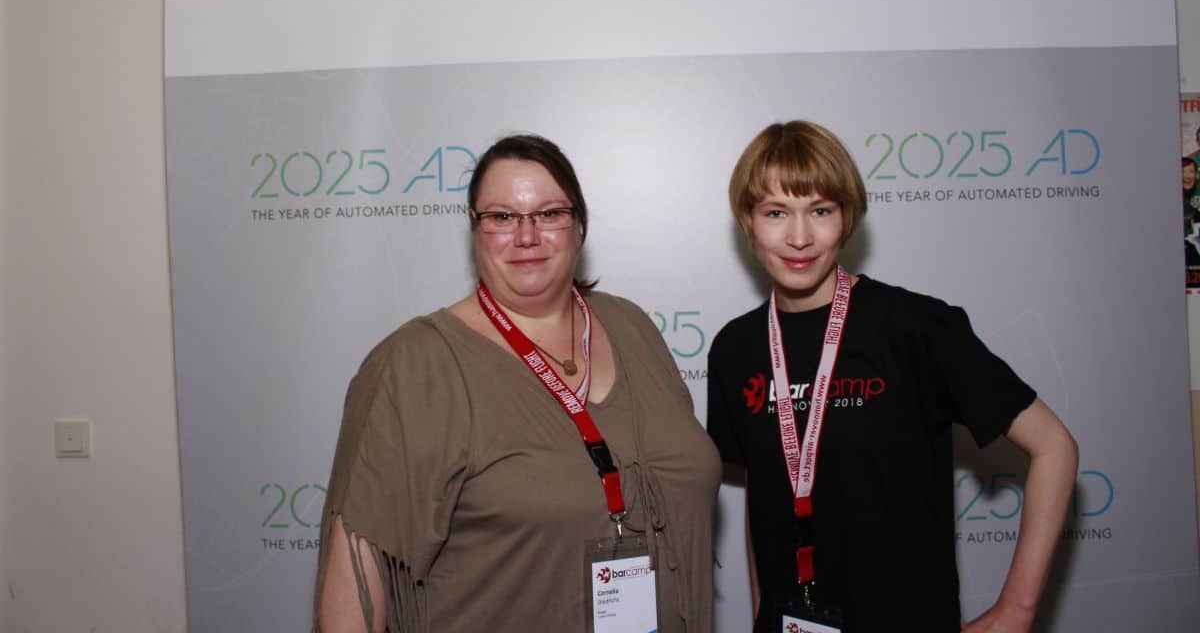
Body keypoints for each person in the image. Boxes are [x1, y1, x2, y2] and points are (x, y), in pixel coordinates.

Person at [314, 134, 721, 633]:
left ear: (579, 225)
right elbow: (352, 597)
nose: (527, 235)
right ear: (474, 229)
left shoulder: (632, 326)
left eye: (549, 213)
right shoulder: (414, 365)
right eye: (502, 216)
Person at [706, 121, 1078, 633]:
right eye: (776, 212)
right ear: (748, 220)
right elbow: (765, 495)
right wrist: (761, 614)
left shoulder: (917, 328)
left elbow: (1054, 446)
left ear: (847, 217)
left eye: (820, 210)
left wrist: (1017, 610)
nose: (799, 236)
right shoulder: (736, 349)